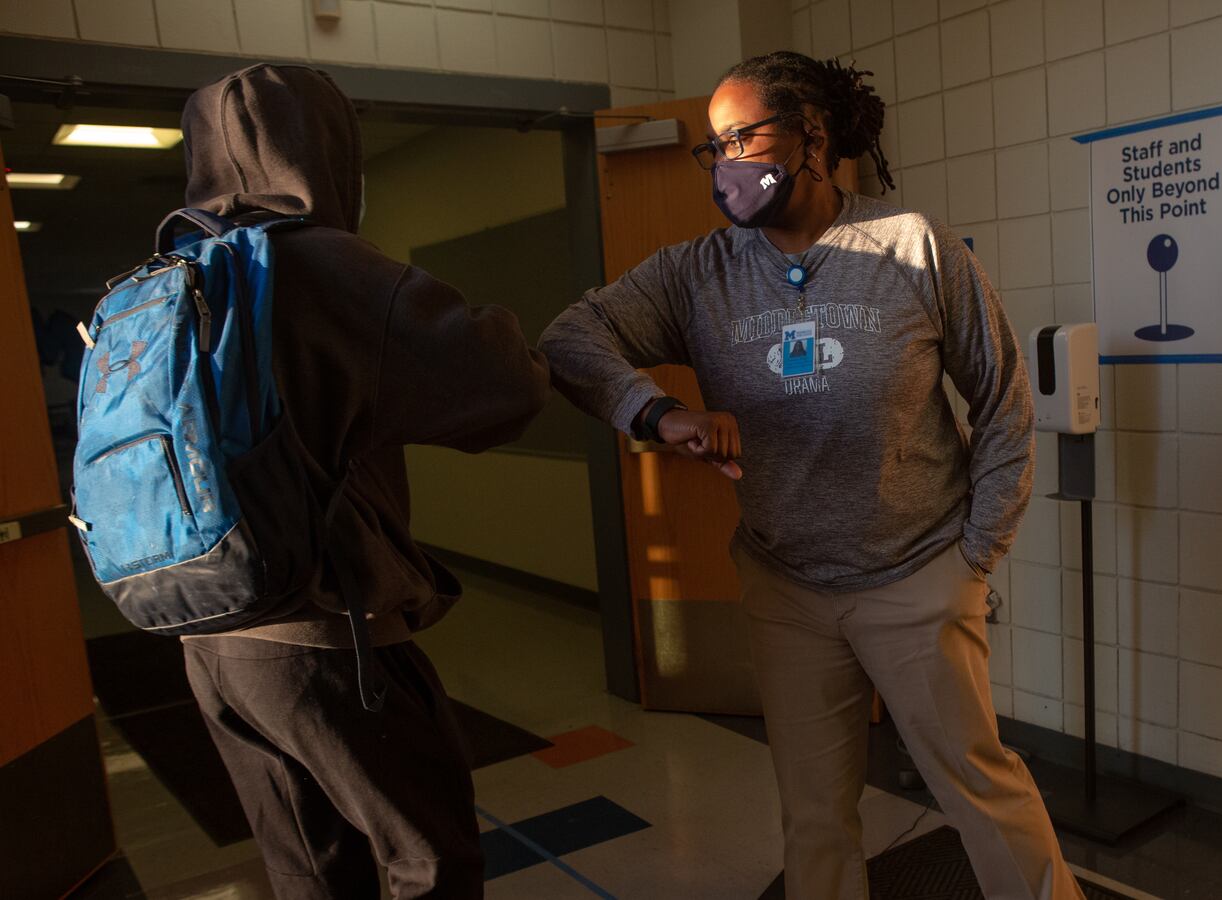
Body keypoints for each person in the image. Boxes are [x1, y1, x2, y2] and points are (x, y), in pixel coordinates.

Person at [539, 51, 1083, 900]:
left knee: (980, 789)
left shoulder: (911, 247)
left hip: (918, 575)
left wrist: (973, 557)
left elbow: (1006, 397)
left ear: (812, 139)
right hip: (789, 588)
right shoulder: (697, 275)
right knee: (815, 815)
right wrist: (656, 412)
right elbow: (570, 340)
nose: (726, 164)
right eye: (713, 149)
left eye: (743, 138)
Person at [175, 64, 549, 899]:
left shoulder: (176, 272)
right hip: (322, 637)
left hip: (211, 636)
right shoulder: (319, 265)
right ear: (331, 153)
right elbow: (504, 386)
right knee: (429, 860)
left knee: (310, 870)